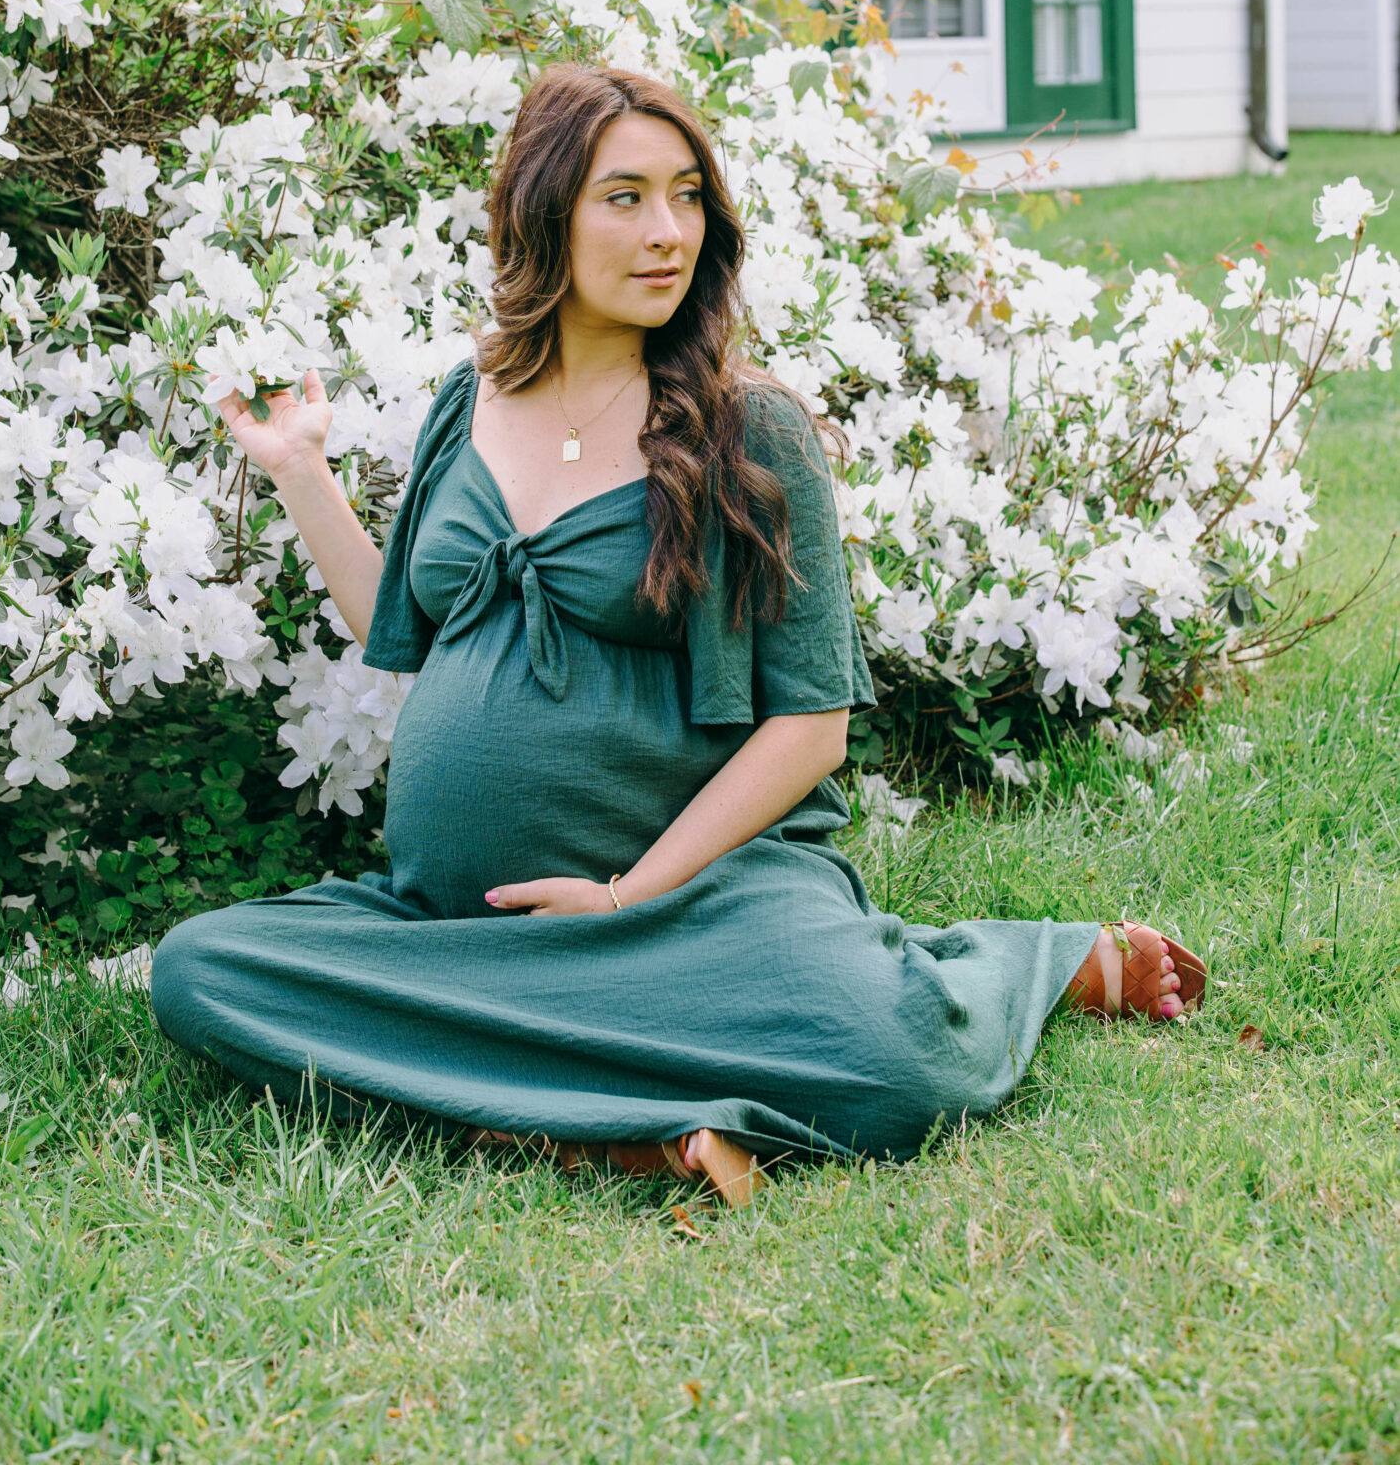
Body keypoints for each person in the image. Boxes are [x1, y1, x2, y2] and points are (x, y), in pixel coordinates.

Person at [152, 64, 1205, 1205]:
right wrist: (300, 468)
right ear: (542, 212)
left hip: (696, 903)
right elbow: (405, 625)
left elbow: (811, 730)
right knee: (203, 971)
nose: (668, 233)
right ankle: (605, 1124)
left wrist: (626, 895)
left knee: (895, 1062)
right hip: (459, 927)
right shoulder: (470, 402)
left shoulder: (752, 433)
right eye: (626, 197)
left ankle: (1024, 965)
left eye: (688, 195)